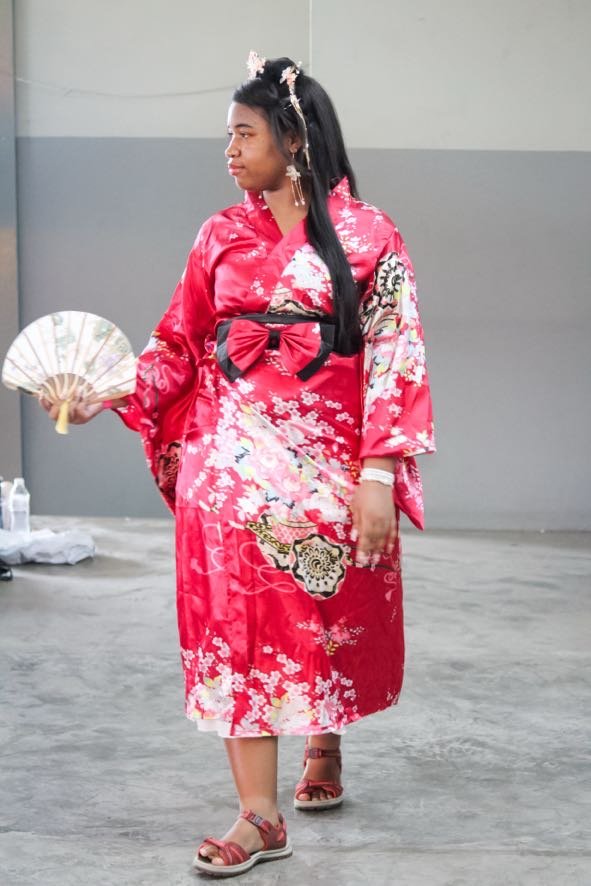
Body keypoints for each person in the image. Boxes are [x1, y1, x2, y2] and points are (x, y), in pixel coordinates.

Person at [41, 52, 435, 877]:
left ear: (292, 140)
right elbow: (178, 343)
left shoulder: (368, 236)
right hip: (226, 460)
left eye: (243, 133)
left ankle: (321, 735)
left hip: (327, 458)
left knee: (322, 610)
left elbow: (396, 356)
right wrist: (102, 388)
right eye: (226, 136)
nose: (227, 150)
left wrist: (375, 475)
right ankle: (258, 815)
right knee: (233, 625)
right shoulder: (218, 235)